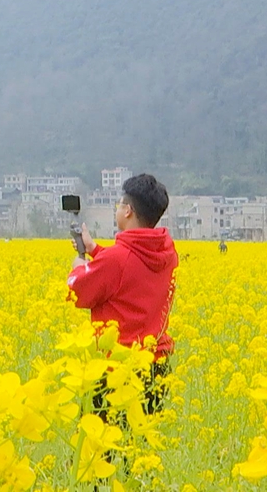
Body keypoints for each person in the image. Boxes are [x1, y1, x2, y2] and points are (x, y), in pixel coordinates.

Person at [67, 174, 178, 417]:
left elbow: (79, 293)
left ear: (128, 210)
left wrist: (79, 266)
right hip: (155, 366)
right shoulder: (168, 252)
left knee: (98, 451)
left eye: (119, 204)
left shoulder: (117, 259)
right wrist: (96, 251)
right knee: (137, 449)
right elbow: (132, 270)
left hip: (115, 370)